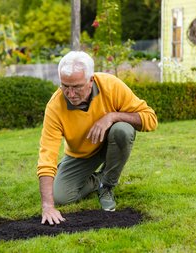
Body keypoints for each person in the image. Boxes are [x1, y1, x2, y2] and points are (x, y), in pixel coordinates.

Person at [37, 51, 158, 225]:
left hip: (111, 143)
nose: (70, 94)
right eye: (65, 86)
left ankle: (107, 186)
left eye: (77, 87)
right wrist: (47, 205)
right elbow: (46, 155)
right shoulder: (55, 107)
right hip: (81, 154)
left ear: (91, 80)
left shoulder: (111, 85)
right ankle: (98, 179)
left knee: (122, 130)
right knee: (61, 196)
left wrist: (112, 117)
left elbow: (150, 119)